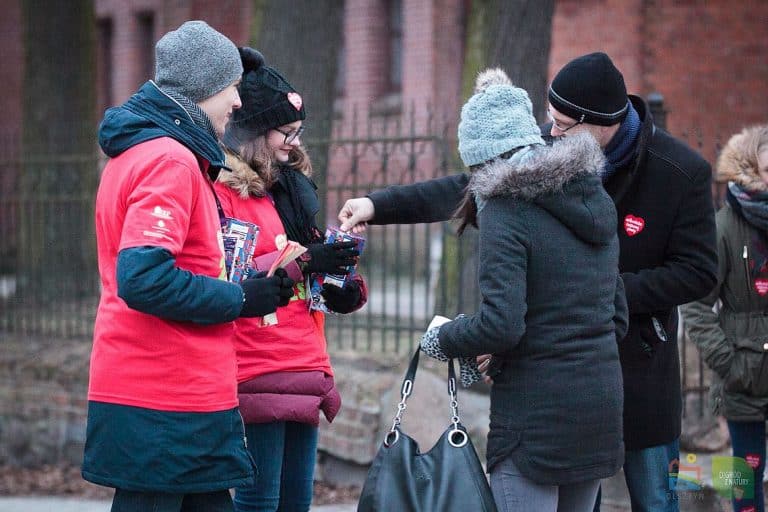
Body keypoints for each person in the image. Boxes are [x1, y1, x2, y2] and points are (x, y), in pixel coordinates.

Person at [339, 52, 718, 512]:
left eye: (560, 125)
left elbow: (699, 272)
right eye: (548, 122)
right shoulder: (543, 160)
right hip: (579, 377)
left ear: (597, 123)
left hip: (632, 371)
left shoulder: (679, 173)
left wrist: (599, 291)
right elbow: (470, 184)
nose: (550, 134)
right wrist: (378, 205)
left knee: (657, 498)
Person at [84, 22, 295, 512]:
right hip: (163, 399)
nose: (239, 103)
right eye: (231, 89)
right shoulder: (170, 161)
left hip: (181, 398)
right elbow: (144, 278)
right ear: (203, 91)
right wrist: (240, 299)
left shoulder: (153, 153)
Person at [417, 67, 627, 511]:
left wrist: (442, 339)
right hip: (600, 406)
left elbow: (503, 324)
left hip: (536, 419)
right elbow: (618, 317)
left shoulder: (507, 209)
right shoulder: (595, 199)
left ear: (484, 159)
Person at [214, 50, 368, 512]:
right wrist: (303, 261)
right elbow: (230, 276)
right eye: (286, 133)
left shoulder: (293, 193)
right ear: (256, 132)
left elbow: (311, 281)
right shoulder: (225, 192)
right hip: (258, 364)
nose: (294, 144)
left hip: (306, 362)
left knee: (296, 501)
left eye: (298, 133)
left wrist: (341, 280)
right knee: (260, 501)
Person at [681, 125, 768, 512]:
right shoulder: (725, 227)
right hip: (744, 380)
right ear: (750, 169)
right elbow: (696, 304)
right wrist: (730, 364)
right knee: (744, 484)